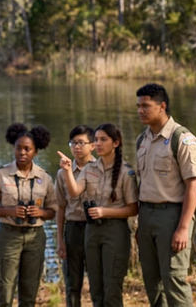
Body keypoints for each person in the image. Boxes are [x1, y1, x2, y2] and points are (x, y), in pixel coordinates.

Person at [135, 83, 196, 307]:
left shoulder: (182, 138)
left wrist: (183, 228)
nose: (140, 111)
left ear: (162, 106)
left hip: (172, 215)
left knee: (174, 279)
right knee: (152, 281)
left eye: (146, 106)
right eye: (138, 106)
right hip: (146, 216)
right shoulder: (142, 139)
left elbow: (194, 184)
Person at [58, 123, 139, 307]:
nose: (98, 144)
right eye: (96, 140)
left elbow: (133, 209)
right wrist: (67, 171)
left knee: (112, 289)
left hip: (115, 231)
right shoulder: (89, 168)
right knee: (96, 290)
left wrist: (105, 211)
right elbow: (74, 192)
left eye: (103, 140)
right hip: (92, 232)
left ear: (116, 143)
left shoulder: (126, 172)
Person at [0, 123, 57, 307]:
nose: (22, 153)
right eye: (18, 148)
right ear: (13, 148)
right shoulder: (1, 174)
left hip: (35, 236)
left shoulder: (45, 177)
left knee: (30, 289)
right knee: (4, 289)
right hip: (9, 235)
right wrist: (10, 211)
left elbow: (53, 211)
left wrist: (40, 213)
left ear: (36, 152)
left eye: (27, 149)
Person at [55, 125, 97, 307]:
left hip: (95, 227)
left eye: (81, 143)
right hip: (73, 229)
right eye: (73, 143)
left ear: (93, 145)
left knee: (98, 282)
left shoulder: (100, 169)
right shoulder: (63, 173)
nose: (76, 147)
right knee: (72, 283)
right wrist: (60, 239)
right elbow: (60, 208)